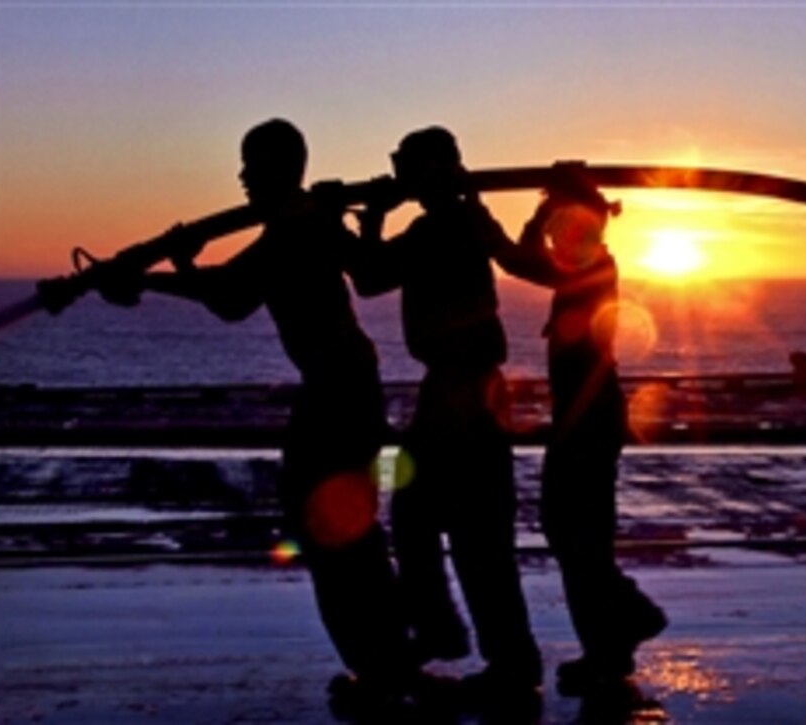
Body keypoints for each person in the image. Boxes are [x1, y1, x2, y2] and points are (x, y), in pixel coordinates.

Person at [110, 119, 417, 715]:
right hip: (342, 388)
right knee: (344, 533)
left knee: (335, 535)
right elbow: (237, 298)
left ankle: (383, 668)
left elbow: (229, 293)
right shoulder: (302, 221)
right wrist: (171, 273)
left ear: (284, 167)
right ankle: (387, 662)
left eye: (254, 165)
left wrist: (164, 272)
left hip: (340, 393)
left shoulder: (298, 226)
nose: (243, 177)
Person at [352, 126, 543, 705]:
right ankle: (480, 646)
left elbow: (368, 276)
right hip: (450, 389)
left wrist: (370, 223)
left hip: (466, 392)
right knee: (438, 521)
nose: (400, 173)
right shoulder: (438, 225)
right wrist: (372, 221)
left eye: (406, 165)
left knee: (462, 528)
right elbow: (370, 278)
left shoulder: (455, 224)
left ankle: (486, 651)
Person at [504, 166, 667, 696]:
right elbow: (533, 258)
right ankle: (610, 647)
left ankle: (624, 623)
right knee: (575, 536)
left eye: (559, 221)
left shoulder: (591, 262)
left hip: (587, 418)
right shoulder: (581, 261)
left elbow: (520, 261)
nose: (552, 231)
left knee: (574, 533)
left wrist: (538, 214)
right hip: (582, 414)